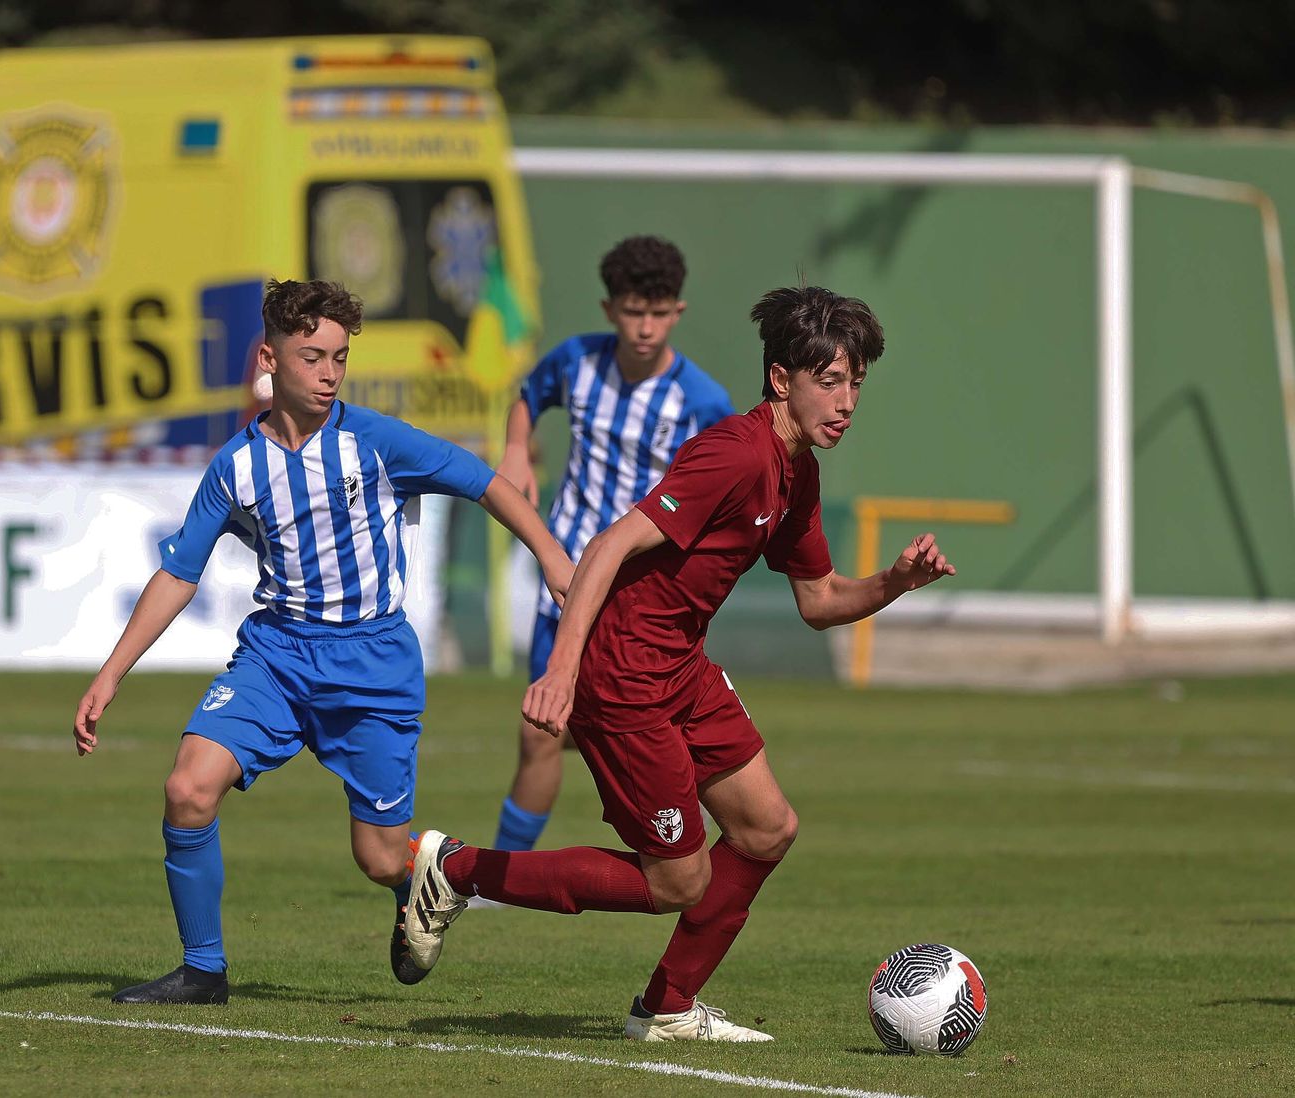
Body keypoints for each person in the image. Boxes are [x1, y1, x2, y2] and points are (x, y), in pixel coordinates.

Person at [402, 285, 956, 1040]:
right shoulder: (735, 452)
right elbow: (607, 546)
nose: (847, 399)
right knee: (677, 879)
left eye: (856, 381)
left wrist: (894, 582)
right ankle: (455, 870)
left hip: (681, 666)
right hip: (623, 672)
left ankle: (665, 1010)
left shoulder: (799, 472)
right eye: (829, 380)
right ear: (780, 379)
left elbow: (820, 598)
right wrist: (561, 673)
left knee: (767, 829)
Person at [73, 278, 572, 1004]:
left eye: (340, 357)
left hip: (372, 666)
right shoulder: (236, 467)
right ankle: (203, 970)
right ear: (270, 359)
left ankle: (422, 883)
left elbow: (486, 484)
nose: (330, 372)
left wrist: (553, 560)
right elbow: (179, 574)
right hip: (275, 659)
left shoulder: (374, 442)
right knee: (187, 789)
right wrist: (110, 674)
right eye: (313, 357)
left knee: (376, 857)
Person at [488, 235, 732, 855]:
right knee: (539, 733)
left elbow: (735, 475)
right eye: (632, 311)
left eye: (657, 312)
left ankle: (692, 838)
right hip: (564, 579)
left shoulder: (700, 401)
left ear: (677, 312)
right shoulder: (576, 362)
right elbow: (527, 396)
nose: (644, 327)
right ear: (609, 309)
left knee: (639, 729)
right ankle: (505, 877)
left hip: (641, 597)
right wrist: (519, 449)